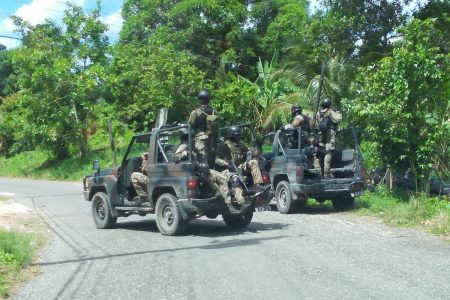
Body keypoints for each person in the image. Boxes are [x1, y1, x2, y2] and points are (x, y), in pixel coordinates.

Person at [173, 128, 240, 214]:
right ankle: (223, 201)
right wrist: (185, 154)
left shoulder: (196, 147)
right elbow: (175, 158)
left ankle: (227, 205)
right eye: (202, 140)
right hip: (196, 172)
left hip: (205, 170)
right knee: (219, 189)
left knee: (224, 179)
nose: (204, 141)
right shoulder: (184, 146)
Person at [215, 126, 266, 205]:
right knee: (235, 178)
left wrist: (258, 146)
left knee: (254, 162)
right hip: (228, 170)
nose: (239, 137)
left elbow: (253, 153)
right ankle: (240, 200)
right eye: (237, 135)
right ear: (232, 136)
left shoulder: (241, 145)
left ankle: (258, 185)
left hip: (240, 167)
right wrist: (226, 163)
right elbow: (216, 159)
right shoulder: (223, 145)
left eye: (239, 135)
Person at [187, 90, 218, 166]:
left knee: (202, 159)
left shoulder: (196, 112)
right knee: (210, 157)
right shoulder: (214, 111)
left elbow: (190, 125)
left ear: (199, 100)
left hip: (200, 138)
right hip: (212, 138)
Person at [314, 98, 342, 178]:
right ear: (329, 105)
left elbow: (317, 123)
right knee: (328, 153)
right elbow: (337, 120)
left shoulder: (318, 113)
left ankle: (319, 172)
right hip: (330, 134)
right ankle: (326, 174)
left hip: (321, 134)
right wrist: (337, 113)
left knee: (319, 152)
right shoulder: (330, 112)